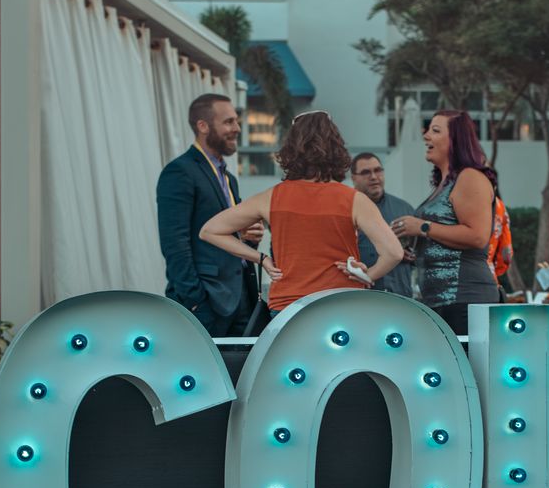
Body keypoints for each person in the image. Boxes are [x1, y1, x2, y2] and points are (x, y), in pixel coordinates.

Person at [199, 111, 403, 314]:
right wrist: (368, 276)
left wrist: (261, 258)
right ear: (336, 146)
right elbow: (394, 252)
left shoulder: (270, 197)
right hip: (341, 304)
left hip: (288, 308)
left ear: (291, 147)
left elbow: (209, 230)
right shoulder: (354, 200)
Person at [157, 93, 262, 336]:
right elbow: (174, 244)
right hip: (206, 303)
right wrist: (195, 301)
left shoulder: (229, 178)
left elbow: (226, 235)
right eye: (228, 122)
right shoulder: (179, 172)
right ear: (203, 126)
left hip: (241, 298)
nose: (237, 128)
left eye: (236, 121)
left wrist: (248, 237)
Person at [390, 110, 501, 336]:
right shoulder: (445, 184)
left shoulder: (470, 177)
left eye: (435, 130)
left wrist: (422, 227)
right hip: (442, 305)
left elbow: (477, 236)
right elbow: (444, 236)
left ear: (455, 141)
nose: (426, 136)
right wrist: (416, 251)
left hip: (465, 301)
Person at [350, 152, 416, 296]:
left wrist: (411, 255)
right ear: (353, 178)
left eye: (378, 170)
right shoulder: (344, 210)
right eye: (366, 172)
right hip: (360, 295)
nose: (374, 177)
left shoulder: (404, 209)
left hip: (400, 295)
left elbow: (420, 253)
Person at [487, 196, 514, 292]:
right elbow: (506, 254)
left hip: (455, 277)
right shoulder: (499, 205)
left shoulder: (452, 196)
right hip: (488, 277)